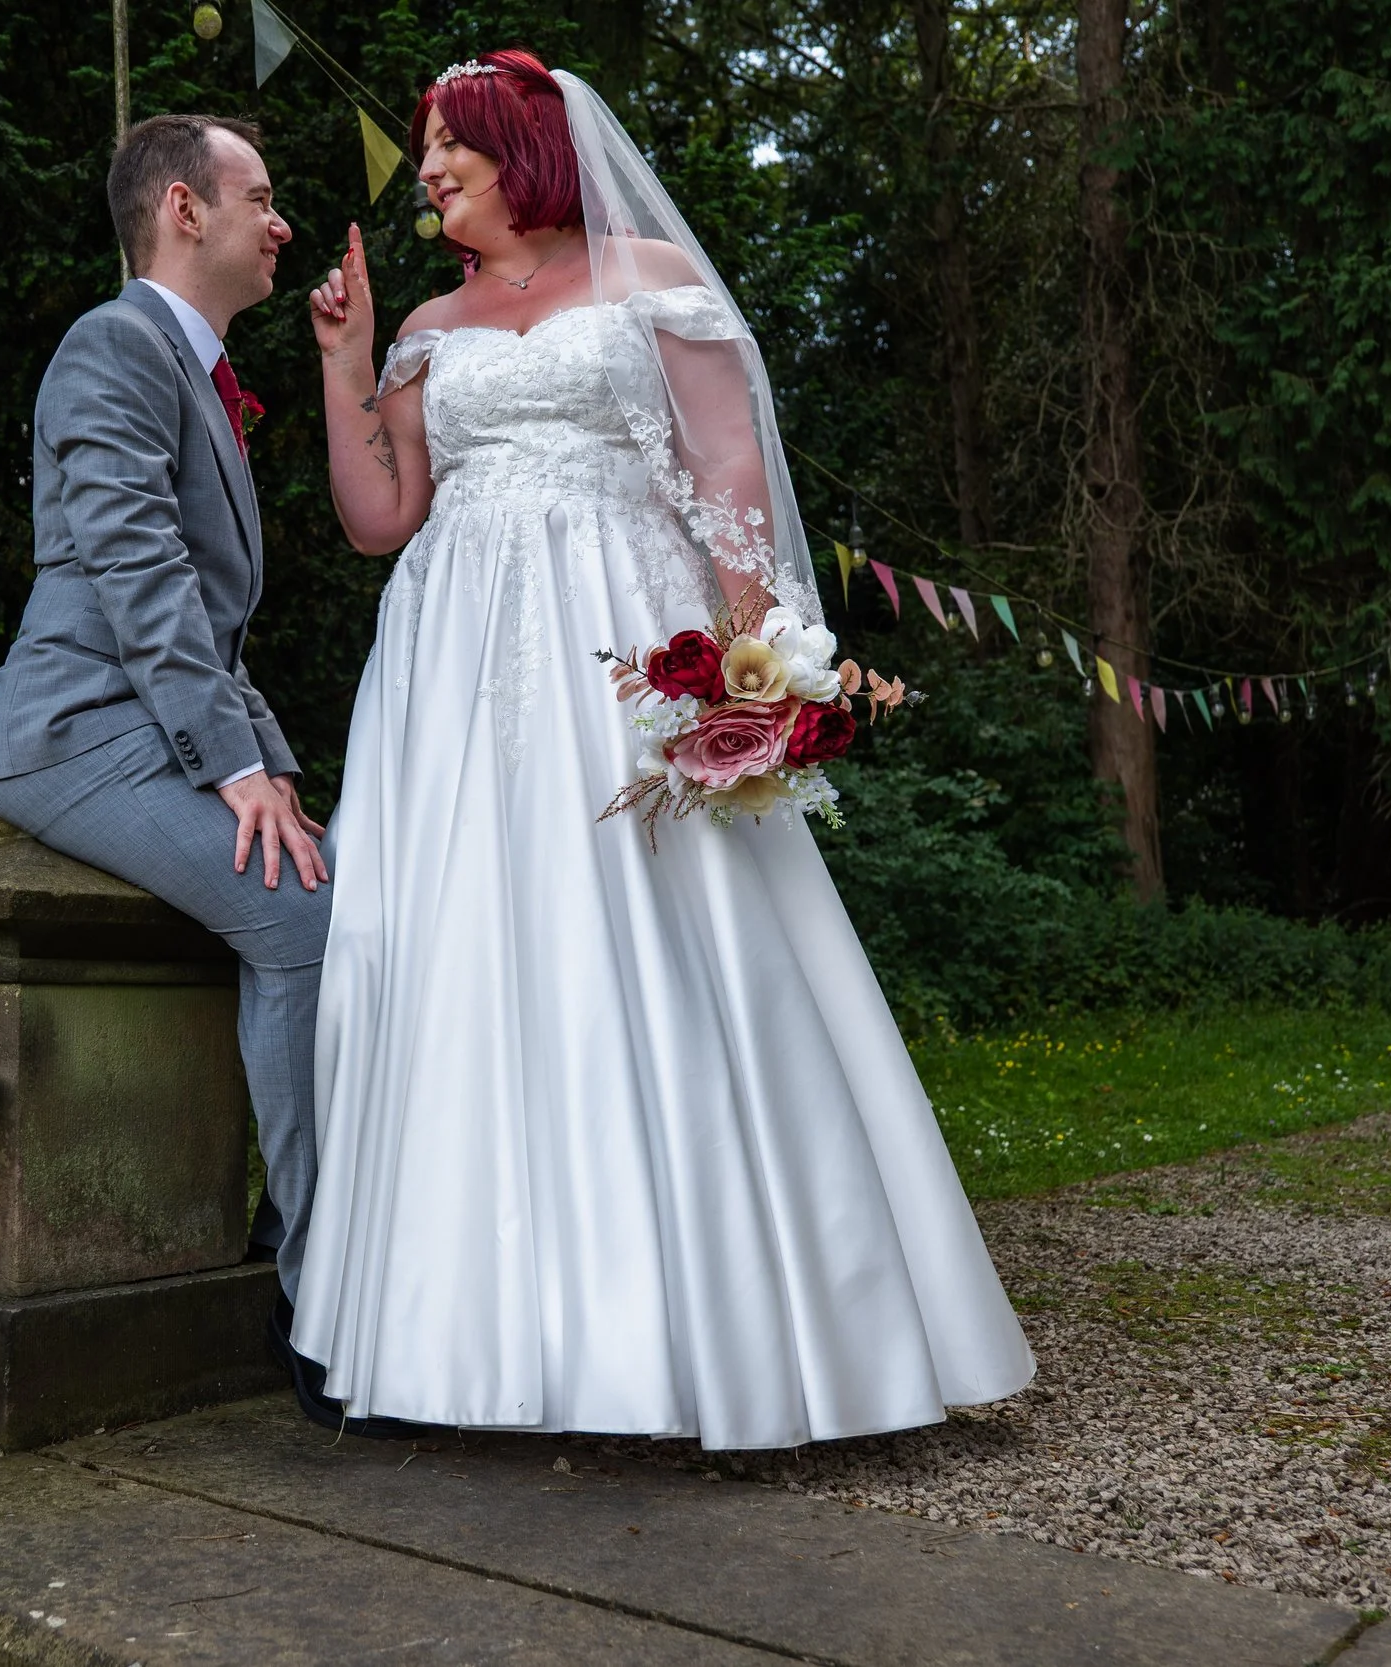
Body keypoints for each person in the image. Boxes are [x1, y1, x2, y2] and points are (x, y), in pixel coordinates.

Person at [292, 50, 1036, 1449]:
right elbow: (379, 517)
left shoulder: (650, 282)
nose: (430, 169)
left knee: (660, 944)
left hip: (620, 654)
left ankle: (723, 1333)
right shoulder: (431, 327)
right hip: (450, 681)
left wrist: (747, 675)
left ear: (530, 151)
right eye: (426, 148)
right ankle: (470, 1343)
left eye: (452, 145)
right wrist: (345, 369)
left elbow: (732, 488)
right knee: (463, 959)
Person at [0, 114, 380, 1430]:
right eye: (261, 196)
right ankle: (320, 1299)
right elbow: (142, 583)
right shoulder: (114, 345)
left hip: (152, 719)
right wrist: (229, 766)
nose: (284, 223)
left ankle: (288, 1214)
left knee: (351, 883)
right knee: (303, 917)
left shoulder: (196, 373)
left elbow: (210, 618)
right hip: (76, 729)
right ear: (184, 211)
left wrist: (275, 771)